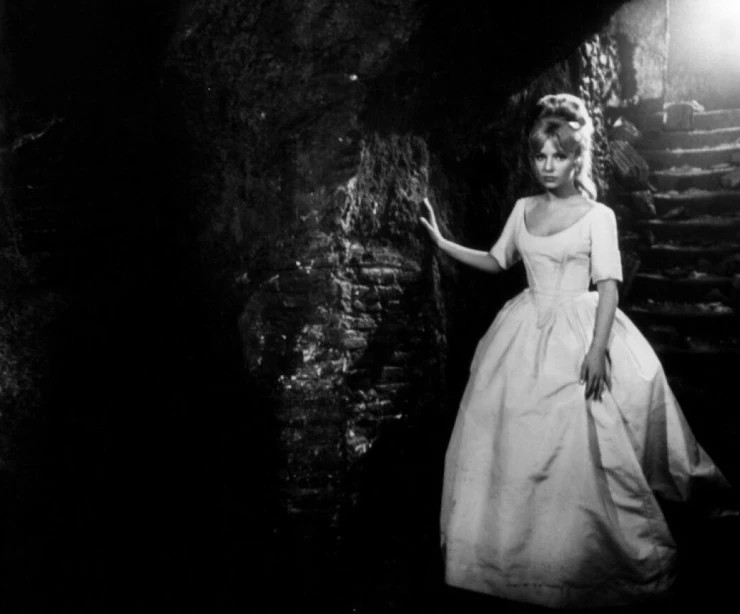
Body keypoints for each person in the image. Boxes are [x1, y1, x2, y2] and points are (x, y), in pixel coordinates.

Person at [420, 93, 735, 610]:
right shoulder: (523, 209)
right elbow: (497, 261)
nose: (547, 166)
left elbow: (608, 286)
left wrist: (596, 349)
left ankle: (582, 555)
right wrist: (441, 242)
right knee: (511, 434)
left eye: (558, 156)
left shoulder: (598, 216)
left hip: (580, 326)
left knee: (585, 435)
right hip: (525, 328)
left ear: (576, 159)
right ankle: (510, 558)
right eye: (540, 156)